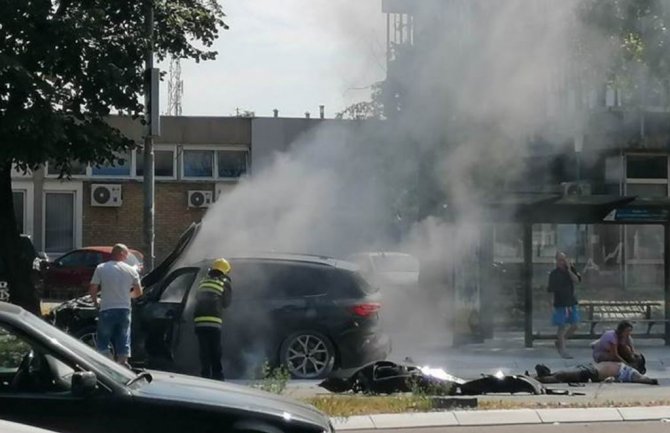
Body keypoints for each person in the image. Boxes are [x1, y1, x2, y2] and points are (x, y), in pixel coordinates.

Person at [89, 243, 143, 366]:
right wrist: (127, 296)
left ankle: (108, 363)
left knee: (103, 340)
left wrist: (95, 302)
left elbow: (93, 288)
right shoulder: (131, 270)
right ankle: (122, 364)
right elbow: (139, 292)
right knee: (123, 339)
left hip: (107, 308)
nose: (127, 257)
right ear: (122, 254)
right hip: (124, 309)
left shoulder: (101, 268)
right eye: (126, 255)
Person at [193, 258, 232, 380]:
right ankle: (217, 375)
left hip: (199, 321)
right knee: (215, 349)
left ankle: (205, 374)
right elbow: (226, 303)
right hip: (214, 320)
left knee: (203, 349)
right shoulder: (224, 282)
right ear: (224, 271)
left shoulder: (203, 281)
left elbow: (197, 297)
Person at [547, 252, 581, 359]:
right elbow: (550, 291)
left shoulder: (570, 270)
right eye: (560, 260)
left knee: (575, 325)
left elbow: (577, 280)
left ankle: (560, 342)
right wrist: (551, 304)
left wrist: (569, 270)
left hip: (571, 302)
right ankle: (563, 350)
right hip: (560, 303)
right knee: (561, 327)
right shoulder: (553, 274)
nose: (562, 262)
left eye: (564, 259)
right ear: (556, 261)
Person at [533, 361, 657, 385]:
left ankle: (538, 378)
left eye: (636, 357)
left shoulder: (632, 372)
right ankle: (539, 377)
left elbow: (642, 378)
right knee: (560, 376)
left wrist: (650, 381)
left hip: (591, 372)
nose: (633, 355)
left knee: (561, 375)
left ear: (637, 364)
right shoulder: (622, 363)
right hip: (588, 367)